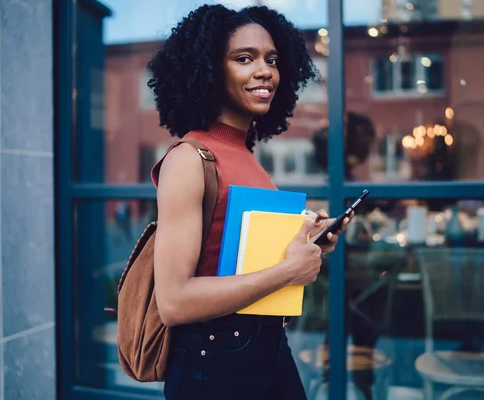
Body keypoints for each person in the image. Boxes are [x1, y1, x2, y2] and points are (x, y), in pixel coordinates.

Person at [147, 4, 353, 399]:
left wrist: (308, 241)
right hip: (216, 360)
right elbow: (173, 303)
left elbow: (235, 255)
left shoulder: (244, 154)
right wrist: (289, 272)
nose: (265, 72)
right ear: (208, 69)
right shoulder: (190, 158)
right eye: (244, 58)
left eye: (272, 60)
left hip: (267, 345)